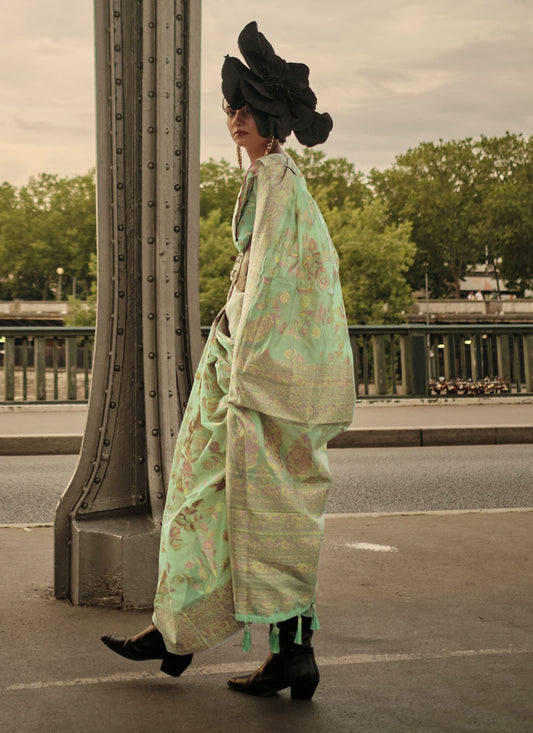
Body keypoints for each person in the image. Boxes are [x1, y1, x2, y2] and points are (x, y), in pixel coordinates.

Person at [101, 20, 356, 701]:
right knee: (237, 505)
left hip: (257, 380)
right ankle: (189, 633)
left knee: (245, 508)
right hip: (249, 371)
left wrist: (243, 369)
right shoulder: (272, 181)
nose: (236, 118)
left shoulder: (278, 182)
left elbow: (276, 287)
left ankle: (257, 648)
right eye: (230, 108)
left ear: (271, 118)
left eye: (247, 108)